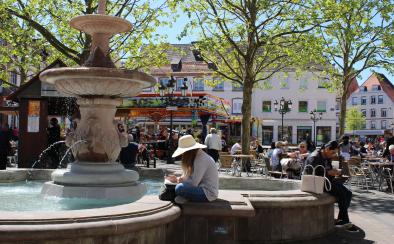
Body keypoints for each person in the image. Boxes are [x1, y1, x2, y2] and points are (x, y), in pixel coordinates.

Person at [305, 140, 357, 232]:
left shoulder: (326, 155)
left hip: (327, 181)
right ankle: (344, 220)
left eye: (335, 153)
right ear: (327, 149)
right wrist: (329, 172)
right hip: (317, 183)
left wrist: (334, 172)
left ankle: (342, 218)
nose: (333, 155)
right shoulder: (315, 157)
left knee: (348, 193)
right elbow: (310, 174)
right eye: (333, 152)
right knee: (341, 193)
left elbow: (327, 169)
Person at [165, 135, 219, 203]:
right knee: (176, 187)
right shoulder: (197, 156)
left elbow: (194, 183)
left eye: (184, 152)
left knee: (179, 188)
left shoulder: (201, 159)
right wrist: (178, 179)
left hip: (208, 193)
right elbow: (189, 176)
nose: (183, 154)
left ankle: (187, 197)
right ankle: (187, 197)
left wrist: (178, 180)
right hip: (200, 188)